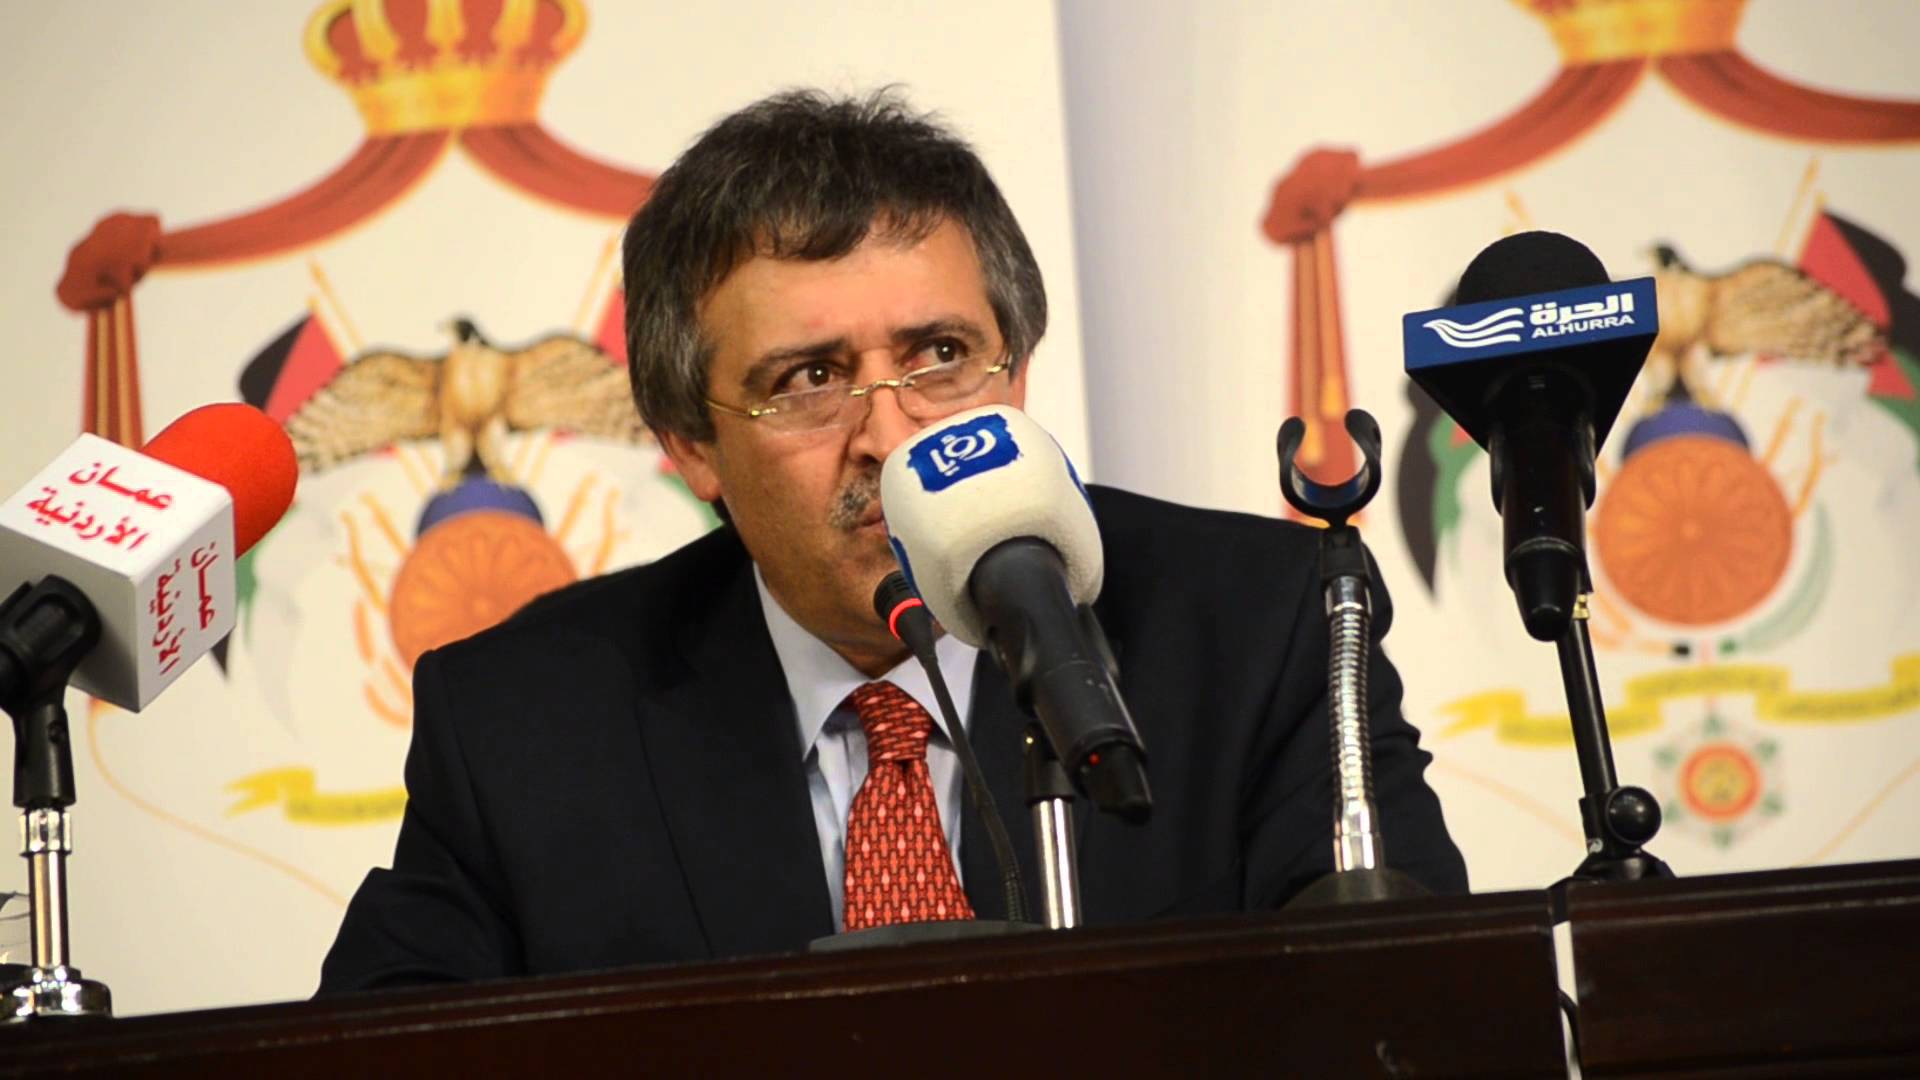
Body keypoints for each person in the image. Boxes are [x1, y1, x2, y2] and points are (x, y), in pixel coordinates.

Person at [318, 90, 1466, 993]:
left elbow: (1404, 1006)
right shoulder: (524, 723)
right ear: (691, 444)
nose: (891, 435)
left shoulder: (1261, 626)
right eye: (808, 379)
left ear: (1017, 374)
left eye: (940, 357)